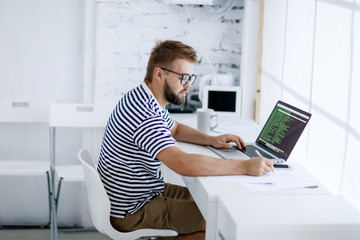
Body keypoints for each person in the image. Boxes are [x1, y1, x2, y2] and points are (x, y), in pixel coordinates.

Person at [97, 40, 274, 239]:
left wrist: (212, 140)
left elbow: (176, 129)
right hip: (133, 209)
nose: (188, 84)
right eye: (183, 77)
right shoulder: (145, 114)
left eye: (191, 77)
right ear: (159, 74)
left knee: (200, 197)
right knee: (216, 220)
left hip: (142, 193)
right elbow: (183, 164)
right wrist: (245, 167)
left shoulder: (144, 97)